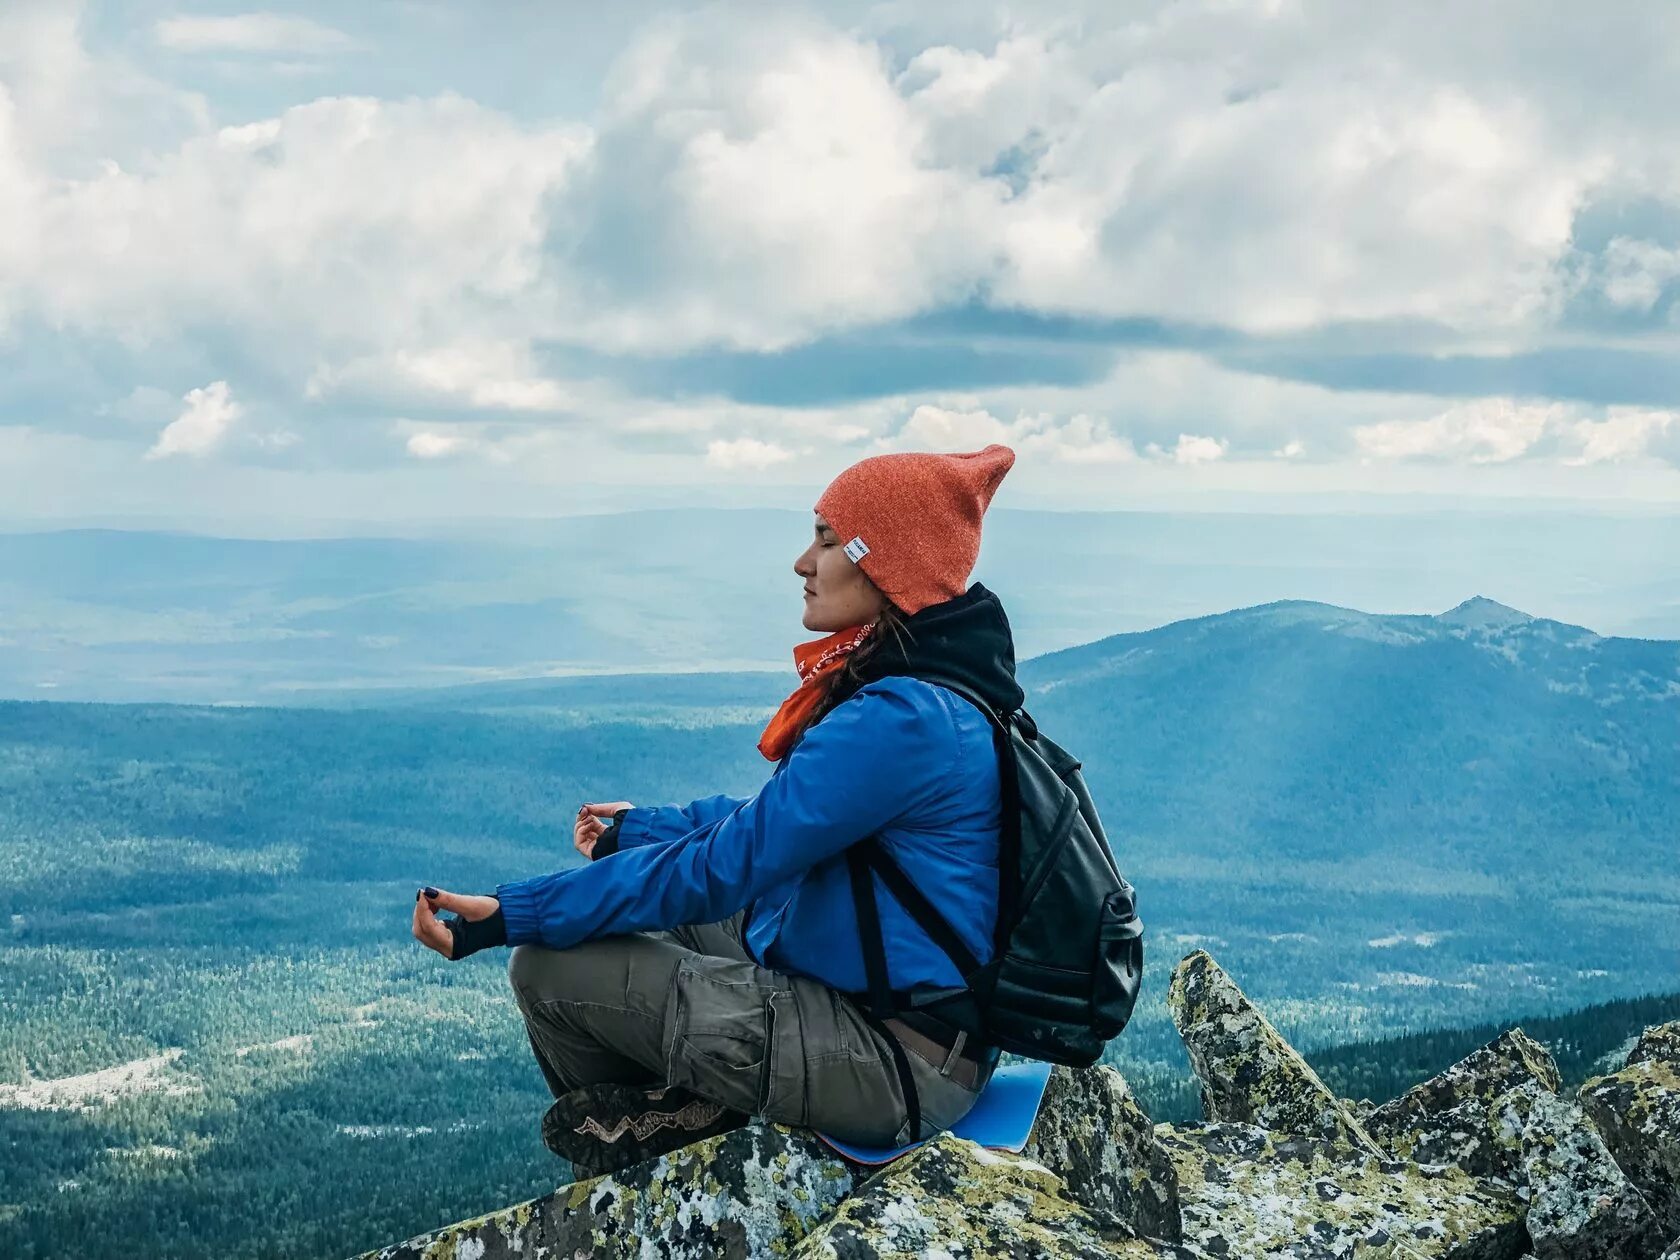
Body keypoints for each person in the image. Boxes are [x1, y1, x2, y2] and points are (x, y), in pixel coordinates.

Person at [411, 443, 1025, 1176]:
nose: (804, 562)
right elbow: (772, 819)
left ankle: (645, 1176)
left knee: (545, 968)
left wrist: (513, 914)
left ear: (885, 561)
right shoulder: (934, 689)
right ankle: (672, 1120)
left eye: (828, 540)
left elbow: (730, 863)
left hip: (895, 1061)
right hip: (889, 1005)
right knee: (611, 922)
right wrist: (639, 832)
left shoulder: (902, 720)